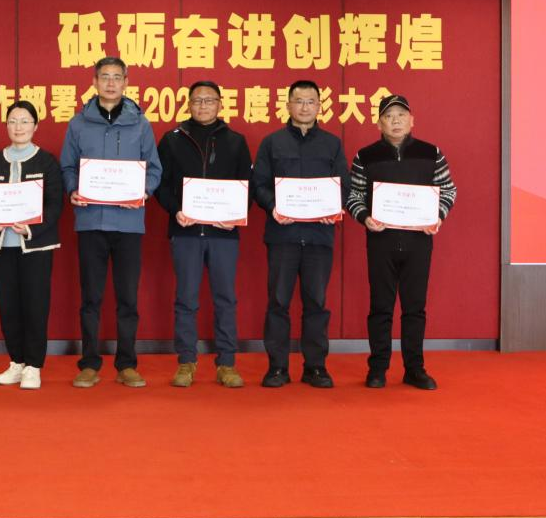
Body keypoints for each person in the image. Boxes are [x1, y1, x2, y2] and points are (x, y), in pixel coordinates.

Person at [60, 56, 162, 388]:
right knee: (91, 298)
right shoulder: (78, 124)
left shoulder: (141, 124)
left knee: (127, 298)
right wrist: (73, 189)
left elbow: (154, 168)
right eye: (105, 77)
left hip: (129, 223)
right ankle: (89, 363)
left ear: (126, 82)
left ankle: (127, 364)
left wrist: (143, 192)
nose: (111, 83)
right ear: (94, 82)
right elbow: (68, 166)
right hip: (91, 221)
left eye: (117, 77)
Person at [346, 94, 457, 390]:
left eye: (401, 115)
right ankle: (378, 368)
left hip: (418, 242)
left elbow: (448, 190)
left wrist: (438, 216)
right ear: (379, 123)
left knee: (415, 308)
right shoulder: (365, 156)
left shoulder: (431, 153)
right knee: (380, 307)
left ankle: (414, 369)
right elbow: (353, 195)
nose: (395, 121)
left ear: (412, 120)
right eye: (388, 116)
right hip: (380, 242)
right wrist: (365, 217)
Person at [251, 79, 349, 389]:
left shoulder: (332, 144)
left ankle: (316, 367)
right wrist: (273, 207)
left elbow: (343, 185)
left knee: (316, 302)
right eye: (299, 101)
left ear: (319, 106)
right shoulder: (272, 143)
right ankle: (277, 367)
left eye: (310, 101)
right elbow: (259, 185)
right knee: (278, 302)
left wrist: (334, 207)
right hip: (283, 235)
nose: (305, 107)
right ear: (288, 105)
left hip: (319, 236)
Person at [155, 80, 252, 388]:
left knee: (225, 299)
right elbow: (160, 184)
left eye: (209, 100)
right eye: (197, 100)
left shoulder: (236, 141)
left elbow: (246, 186)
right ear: (188, 104)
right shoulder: (172, 139)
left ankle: (227, 363)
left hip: (223, 234)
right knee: (186, 299)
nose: (203, 105)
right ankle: (186, 362)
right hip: (185, 231)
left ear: (220, 104)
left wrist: (235, 216)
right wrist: (175, 210)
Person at [0, 101, 64, 391]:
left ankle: (34, 366)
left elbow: (55, 204)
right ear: (6, 125)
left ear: (35, 126)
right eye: (13, 121)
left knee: (35, 305)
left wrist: (31, 228)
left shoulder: (47, 162)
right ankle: (16, 361)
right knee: (8, 305)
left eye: (25, 121)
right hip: (1, 246)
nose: (18, 127)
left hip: (35, 246)